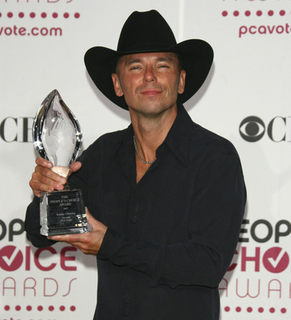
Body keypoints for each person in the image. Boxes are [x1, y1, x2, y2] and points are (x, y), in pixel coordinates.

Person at [25, 10, 246, 320]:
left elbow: (208, 265)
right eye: (136, 66)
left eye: (163, 65)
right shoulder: (102, 155)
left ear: (180, 80)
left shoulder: (215, 158)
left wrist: (110, 245)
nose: (149, 77)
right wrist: (47, 191)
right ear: (118, 84)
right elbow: (39, 233)